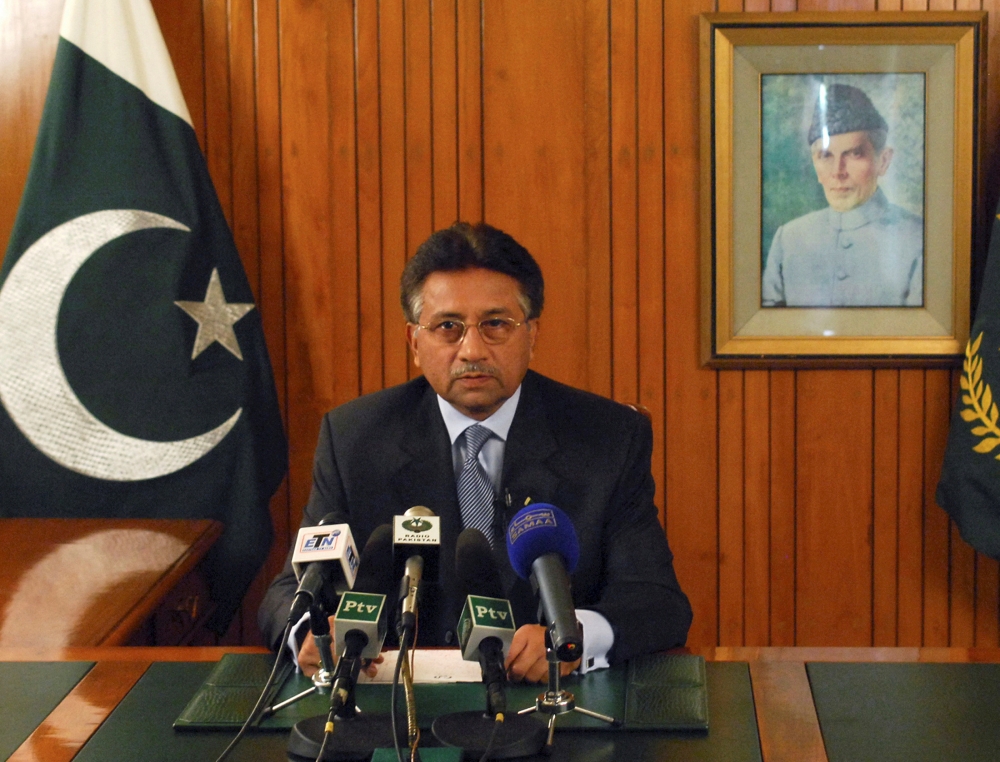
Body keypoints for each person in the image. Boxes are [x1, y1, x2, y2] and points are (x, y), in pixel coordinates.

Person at [258, 221, 692, 683]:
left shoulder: (607, 437)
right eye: (448, 327)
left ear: (532, 334)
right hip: (397, 704)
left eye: (495, 325)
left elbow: (657, 600)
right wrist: (308, 635)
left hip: (549, 704)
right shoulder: (355, 438)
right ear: (415, 344)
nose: (472, 349)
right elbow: (291, 589)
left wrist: (575, 636)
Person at [761, 83, 924, 307]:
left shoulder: (919, 240)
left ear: (883, 161)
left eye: (855, 154)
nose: (838, 172)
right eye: (826, 156)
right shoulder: (788, 240)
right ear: (814, 163)